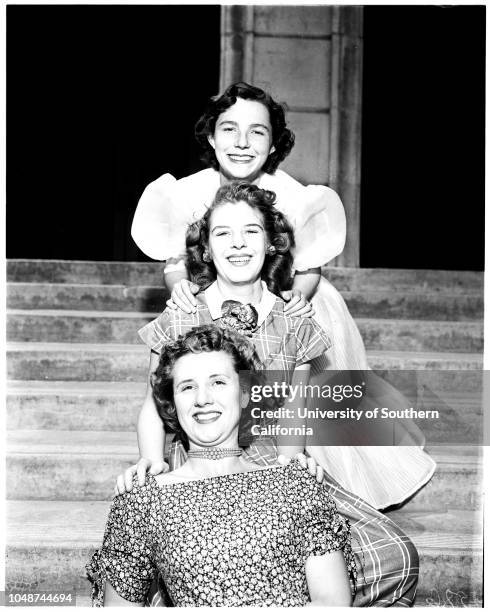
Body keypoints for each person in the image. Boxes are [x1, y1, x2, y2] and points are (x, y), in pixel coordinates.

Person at [130, 81, 435, 509]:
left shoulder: (292, 192)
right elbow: (177, 262)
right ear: (211, 136)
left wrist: (290, 298)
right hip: (214, 287)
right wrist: (183, 290)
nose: (241, 142)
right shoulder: (186, 192)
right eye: (229, 129)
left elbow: (309, 266)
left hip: (285, 288)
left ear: (273, 143)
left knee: (305, 347)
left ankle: (313, 465)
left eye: (257, 132)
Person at [125, 181, 419, 607]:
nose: (238, 243)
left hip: (270, 456)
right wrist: (151, 459)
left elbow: (293, 408)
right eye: (223, 233)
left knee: (395, 555)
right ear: (205, 249)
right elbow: (154, 400)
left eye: (251, 231)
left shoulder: (295, 319)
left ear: (271, 245)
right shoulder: (182, 313)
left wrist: (289, 469)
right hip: (203, 457)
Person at [87, 325, 356, 606]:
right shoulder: (142, 498)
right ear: (172, 402)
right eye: (187, 387)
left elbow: (331, 604)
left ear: (244, 395)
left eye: (218, 382)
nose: (202, 399)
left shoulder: (295, 484)